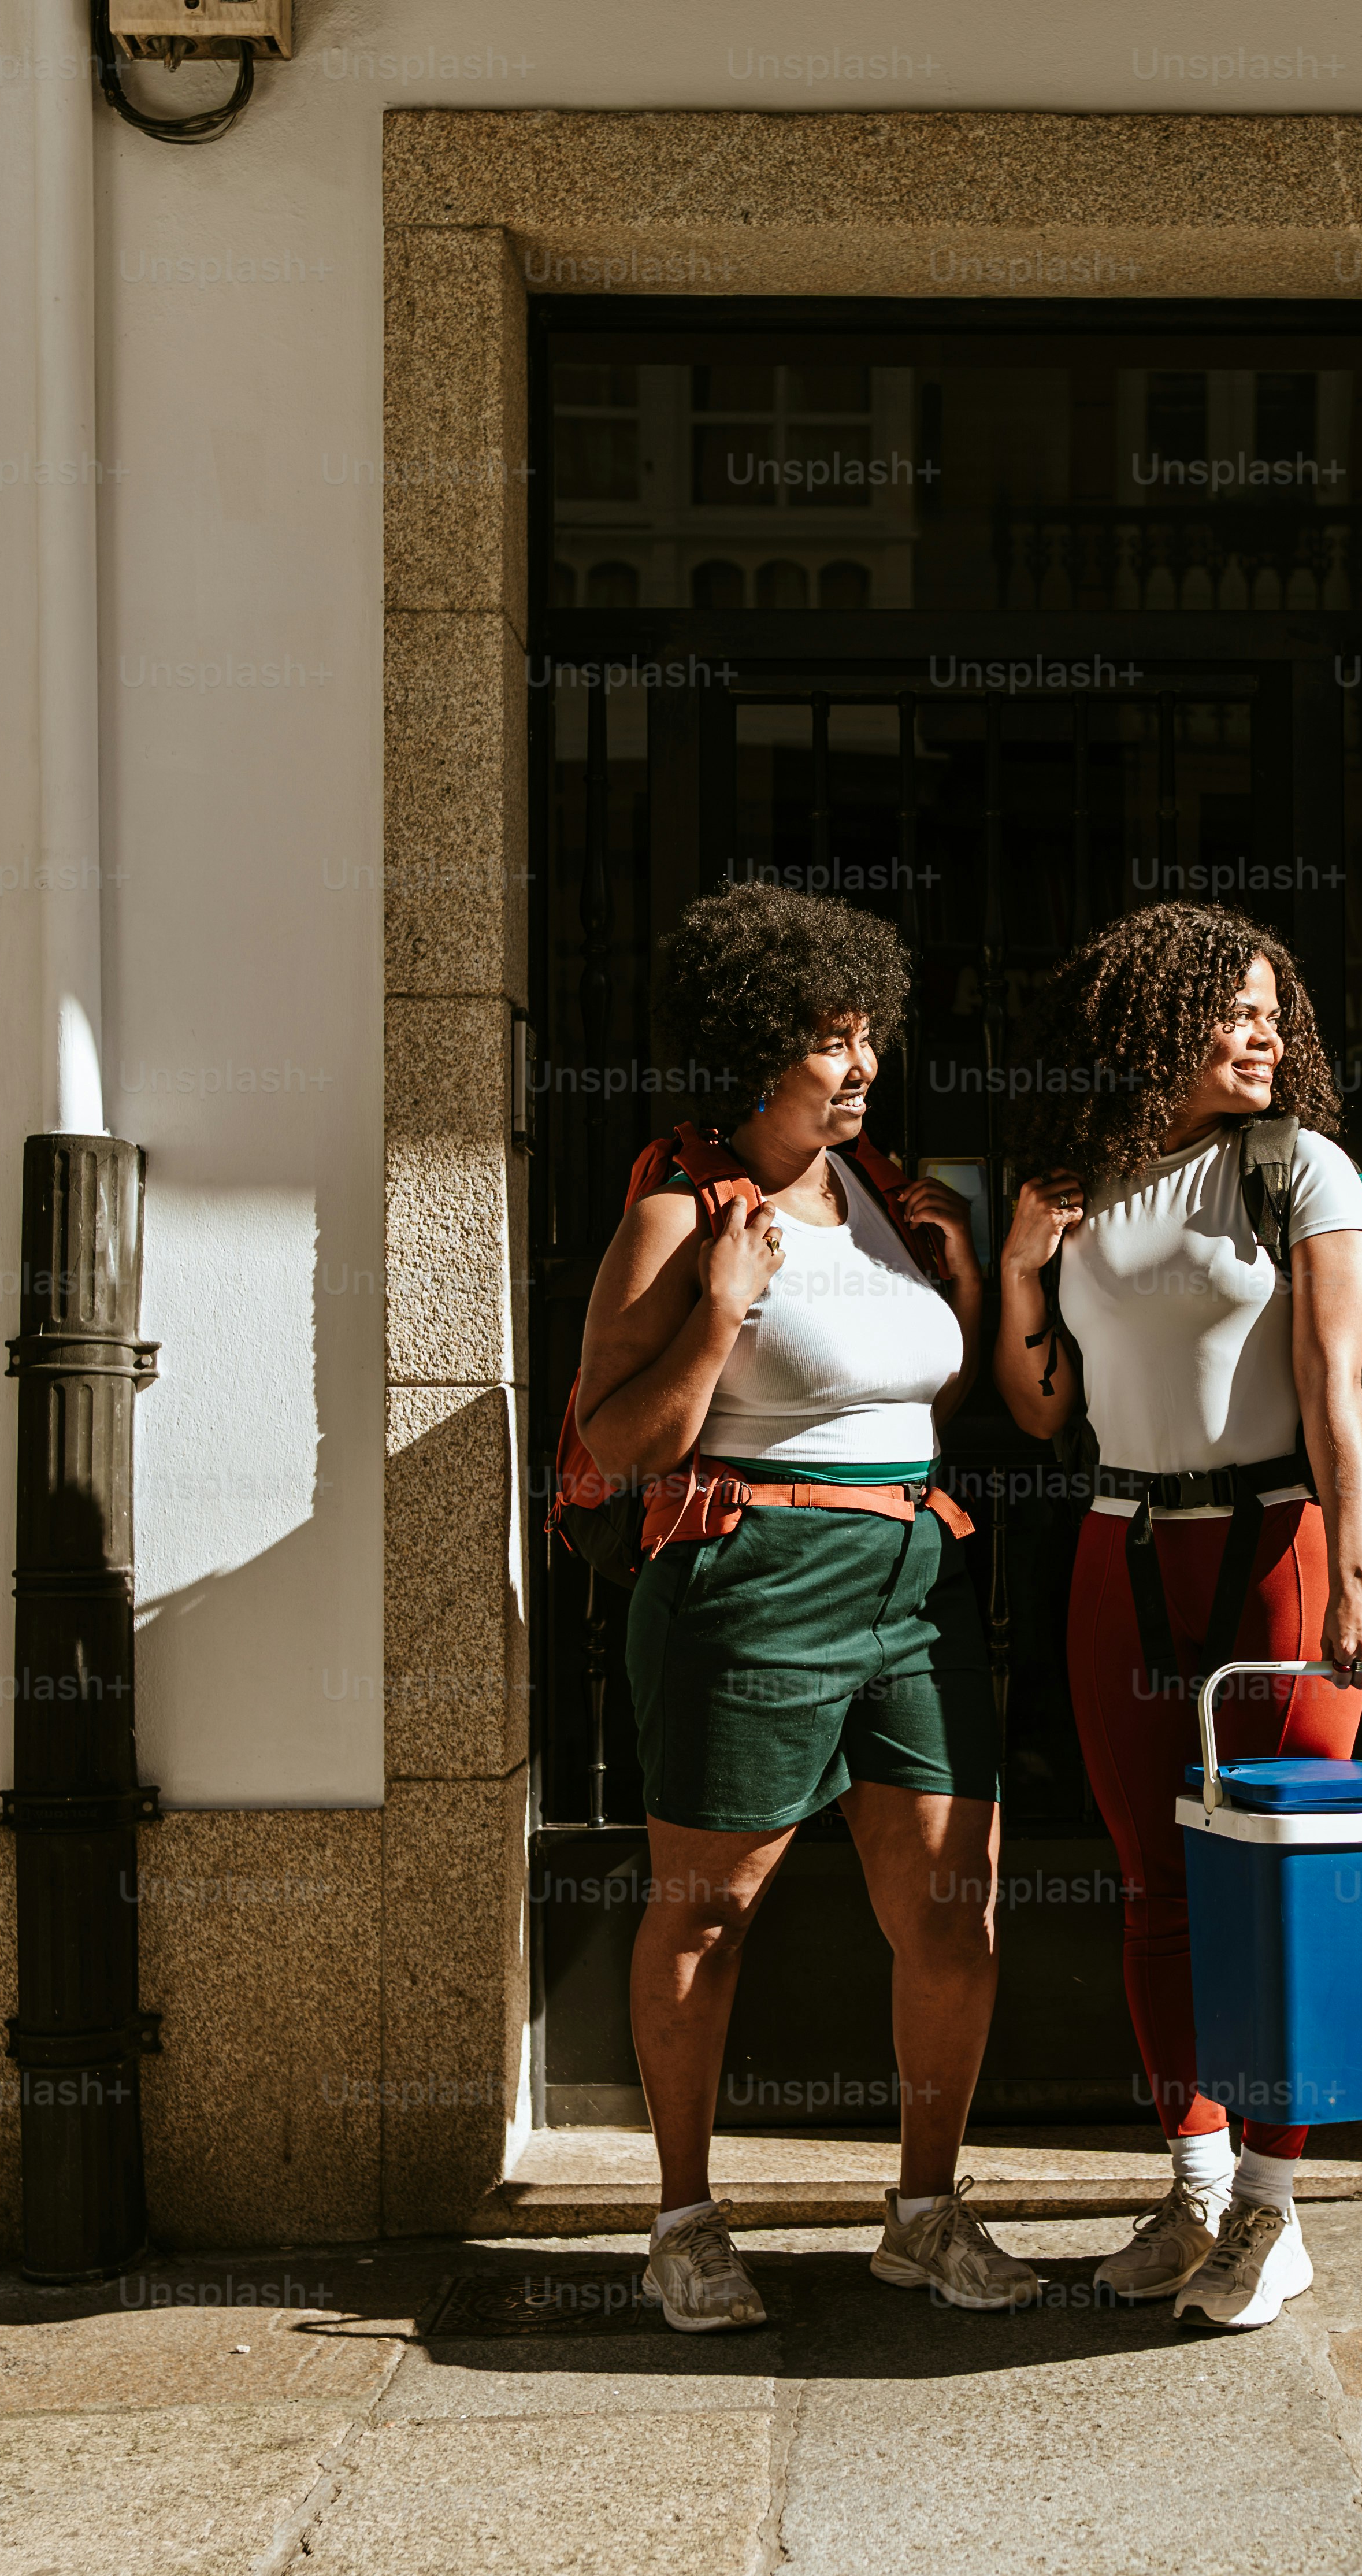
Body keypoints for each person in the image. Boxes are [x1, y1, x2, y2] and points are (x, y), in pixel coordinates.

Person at [568, 880, 1036, 2333]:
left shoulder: (890, 1198)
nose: (863, 1063)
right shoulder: (678, 1212)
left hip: (918, 1576)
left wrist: (957, 1279)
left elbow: (908, 1392)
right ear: (755, 1049)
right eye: (832, 1040)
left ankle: (924, 2210)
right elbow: (617, 1437)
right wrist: (716, 1309)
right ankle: (684, 2221)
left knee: (955, 1916)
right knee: (709, 1915)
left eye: (868, 1035)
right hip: (753, 1580)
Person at [994, 900, 1362, 2330]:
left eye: (1275, 1011)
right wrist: (1023, 1268)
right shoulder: (1086, 1185)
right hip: (1119, 1552)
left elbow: (1337, 1391)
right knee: (1154, 1889)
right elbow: (1042, 1404)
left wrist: (1357, 1571)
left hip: (1277, 1550)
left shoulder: (1306, 1175)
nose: (1266, 1033)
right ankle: (1197, 2189)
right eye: (1235, 1011)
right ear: (1160, 1023)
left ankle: (1277, 2216)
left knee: (1276, 1890)